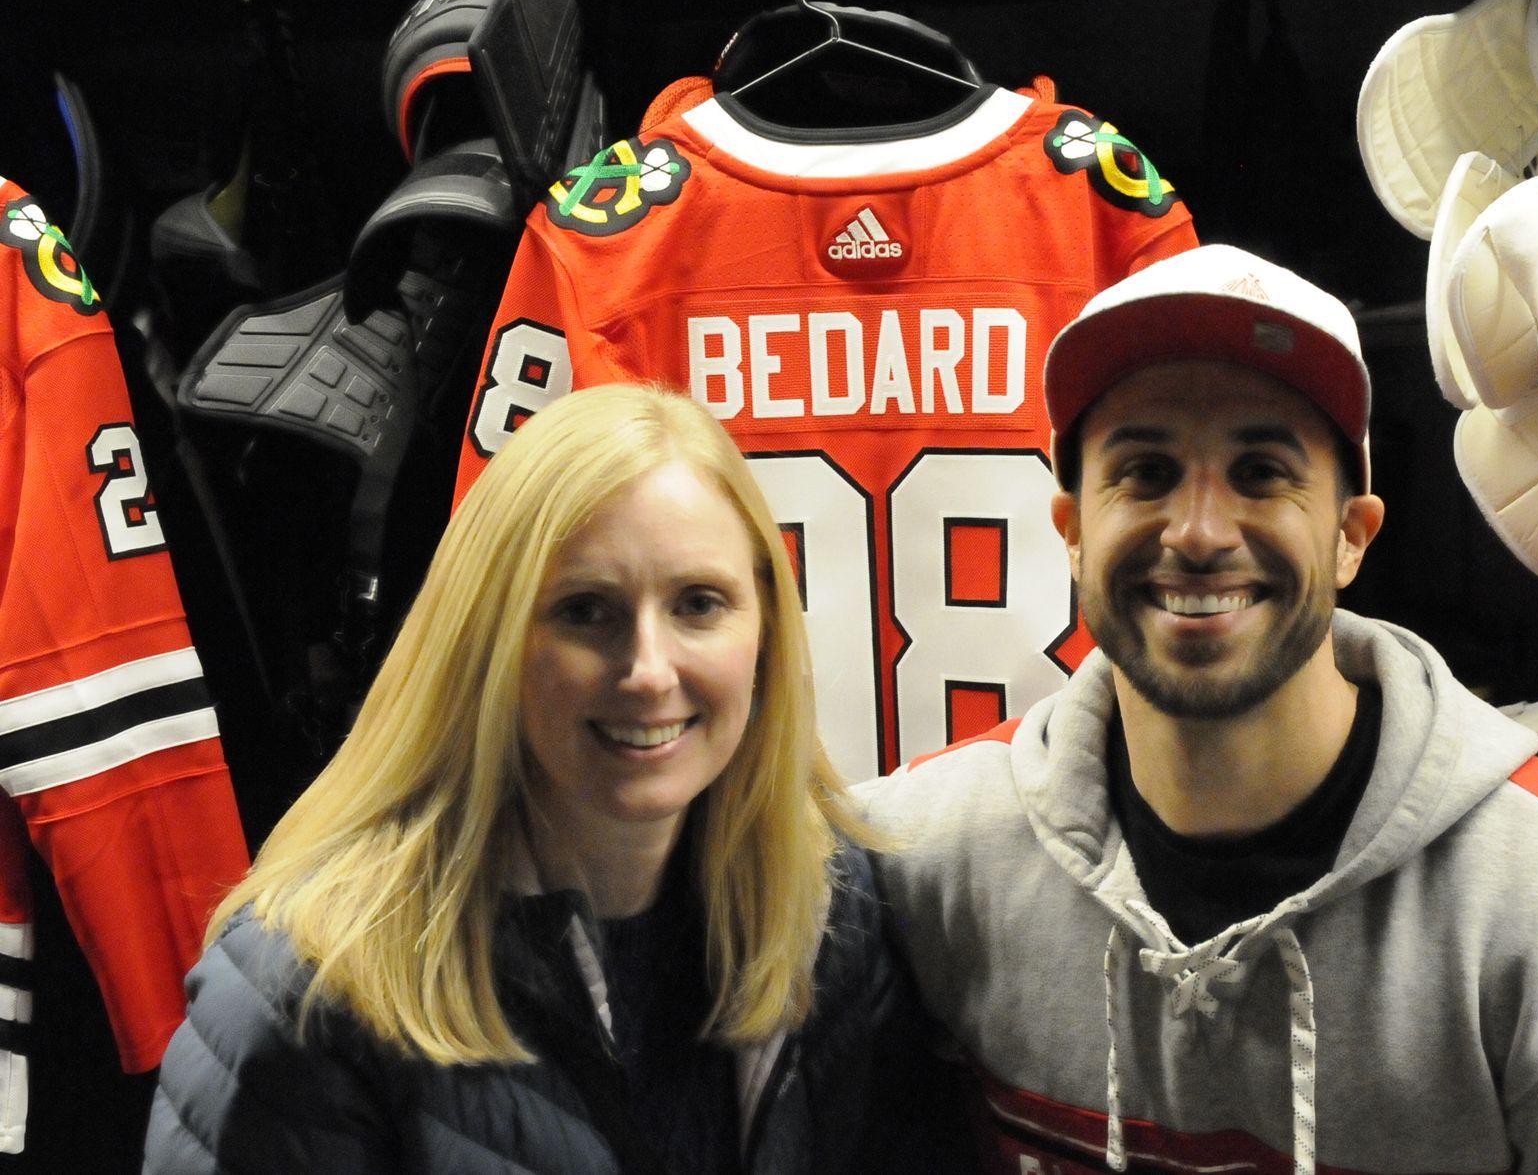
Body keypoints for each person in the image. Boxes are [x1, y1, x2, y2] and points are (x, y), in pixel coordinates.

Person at [860, 244, 1538, 1174]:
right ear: (1073, 531)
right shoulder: (921, 863)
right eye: (1145, 471)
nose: (1201, 531)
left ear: (1350, 536)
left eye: (1260, 471)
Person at [143, 383, 968, 1175]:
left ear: (767, 630)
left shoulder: (832, 914)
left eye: (699, 603)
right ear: (488, 645)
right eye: (585, 609)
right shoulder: (303, 990)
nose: (649, 670)